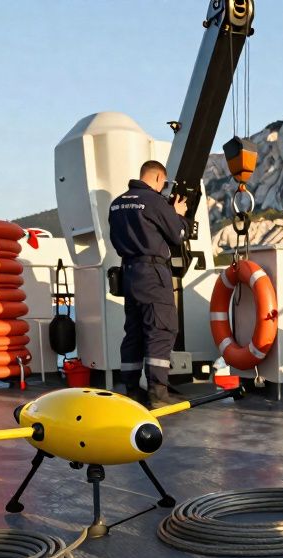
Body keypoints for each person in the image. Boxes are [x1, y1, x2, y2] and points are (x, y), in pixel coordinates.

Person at [107, 160, 188, 408]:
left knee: (134, 331)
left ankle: (130, 388)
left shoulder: (117, 203)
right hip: (153, 274)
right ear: (157, 178)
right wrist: (178, 215)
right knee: (160, 330)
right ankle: (157, 393)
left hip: (129, 273)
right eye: (162, 184)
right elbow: (178, 235)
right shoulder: (155, 201)